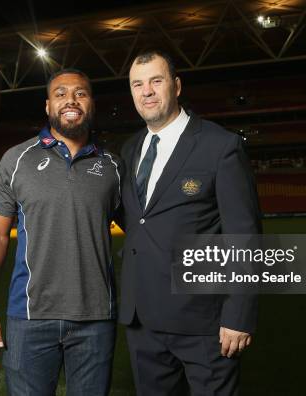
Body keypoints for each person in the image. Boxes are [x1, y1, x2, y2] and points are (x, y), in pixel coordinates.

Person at [118, 49, 262, 395]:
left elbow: (245, 236)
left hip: (203, 322)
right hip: (142, 320)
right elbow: (139, 221)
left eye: (156, 80)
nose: (147, 91)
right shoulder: (129, 150)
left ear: (176, 85)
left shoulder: (220, 146)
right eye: (138, 84)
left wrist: (238, 315)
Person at [0, 68, 122, 396]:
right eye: (61, 93)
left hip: (96, 318)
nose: (71, 99)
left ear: (91, 103)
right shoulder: (17, 159)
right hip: (30, 317)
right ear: (47, 106)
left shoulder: (113, 165)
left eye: (80, 93)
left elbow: (143, 230)